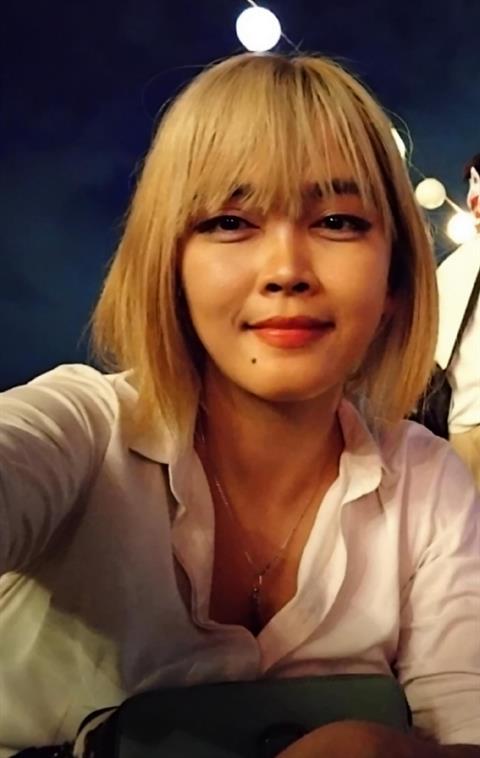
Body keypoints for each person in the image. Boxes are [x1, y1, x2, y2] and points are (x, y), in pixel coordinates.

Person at [1, 53, 479, 758]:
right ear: (169, 266)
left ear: (397, 281)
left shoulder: (430, 484)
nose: (286, 270)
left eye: (338, 221)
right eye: (229, 221)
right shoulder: (81, 430)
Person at [435, 154, 480, 488]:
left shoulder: (449, 267)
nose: (473, 196)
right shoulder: (452, 268)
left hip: (462, 428)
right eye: (473, 184)